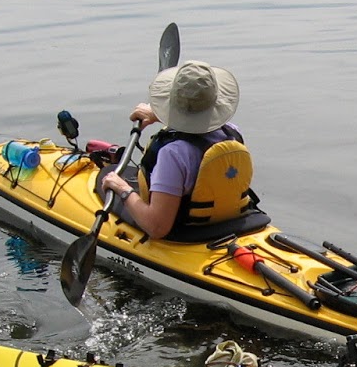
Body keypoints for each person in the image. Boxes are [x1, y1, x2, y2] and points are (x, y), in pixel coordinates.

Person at [99, 60, 266, 241]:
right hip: (234, 223)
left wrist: (121, 188)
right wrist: (158, 116)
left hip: (187, 233)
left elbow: (157, 227)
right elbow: (199, 133)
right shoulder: (232, 133)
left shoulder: (173, 154)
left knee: (108, 177)